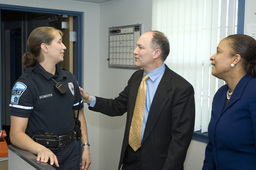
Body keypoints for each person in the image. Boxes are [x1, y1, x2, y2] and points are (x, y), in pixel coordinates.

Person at [80, 31, 195, 170]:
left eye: (140, 47)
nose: (135, 51)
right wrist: (89, 99)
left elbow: (180, 139)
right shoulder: (136, 78)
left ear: (156, 53)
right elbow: (117, 106)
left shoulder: (180, 88)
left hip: (159, 163)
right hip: (130, 159)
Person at [9, 26, 91, 170]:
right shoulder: (26, 85)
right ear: (45, 48)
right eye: (59, 42)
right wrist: (39, 149)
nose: (64, 47)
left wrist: (85, 147)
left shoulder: (69, 78)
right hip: (42, 155)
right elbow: (16, 134)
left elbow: (79, 115)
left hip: (71, 152)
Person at [202, 34, 256, 170]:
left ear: (236, 59)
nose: (212, 57)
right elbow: (212, 147)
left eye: (219, 51)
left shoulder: (253, 92)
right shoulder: (220, 94)